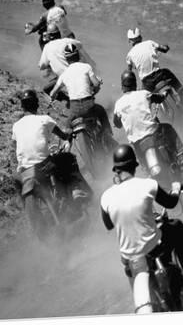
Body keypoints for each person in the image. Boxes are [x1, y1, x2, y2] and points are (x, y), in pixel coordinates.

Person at [100, 144, 183, 314]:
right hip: (154, 250)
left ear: (116, 170)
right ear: (134, 166)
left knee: (131, 271)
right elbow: (171, 203)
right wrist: (176, 189)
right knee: (176, 227)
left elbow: (109, 225)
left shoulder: (106, 197)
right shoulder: (148, 185)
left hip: (130, 260)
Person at [12, 90, 88, 234]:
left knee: (18, 184)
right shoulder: (44, 119)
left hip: (25, 170)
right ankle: (76, 190)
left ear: (22, 107)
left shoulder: (16, 126)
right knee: (68, 159)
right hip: (44, 165)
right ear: (37, 104)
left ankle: (28, 210)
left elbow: (15, 145)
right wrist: (68, 135)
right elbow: (63, 135)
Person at [113, 70, 183, 174]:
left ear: (122, 86)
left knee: (140, 159)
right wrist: (164, 94)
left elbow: (117, 124)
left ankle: (146, 171)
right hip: (153, 133)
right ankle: (181, 157)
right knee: (168, 128)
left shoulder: (118, 104)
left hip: (137, 142)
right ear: (135, 83)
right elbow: (159, 99)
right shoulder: (144, 94)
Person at [49, 44, 113, 142]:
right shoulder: (86, 67)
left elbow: (52, 93)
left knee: (67, 126)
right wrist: (94, 90)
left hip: (75, 111)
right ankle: (107, 134)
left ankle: (67, 145)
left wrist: (53, 97)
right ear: (78, 56)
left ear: (66, 59)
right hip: (89, 107)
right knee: (101, 112)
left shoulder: (64, 74)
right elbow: (96, 83)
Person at [126, 27, 183, 103]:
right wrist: (166, 47)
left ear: (129, 41)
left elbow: (129, 73)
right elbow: (164, 49)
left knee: (144, 100)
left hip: (147, 83)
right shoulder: (149, 43)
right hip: (160, 75)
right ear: (140, 37)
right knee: (167, 72)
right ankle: (182, 95)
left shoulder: (129, 55)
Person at [38, 28, 99, 98]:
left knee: (47, 89)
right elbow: (80, 44)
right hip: (78, 73)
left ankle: (67, 100)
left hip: (64, 77)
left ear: (49, 37)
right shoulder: (68, 41)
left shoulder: (47, 47)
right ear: (59, 34)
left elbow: (41, 66)